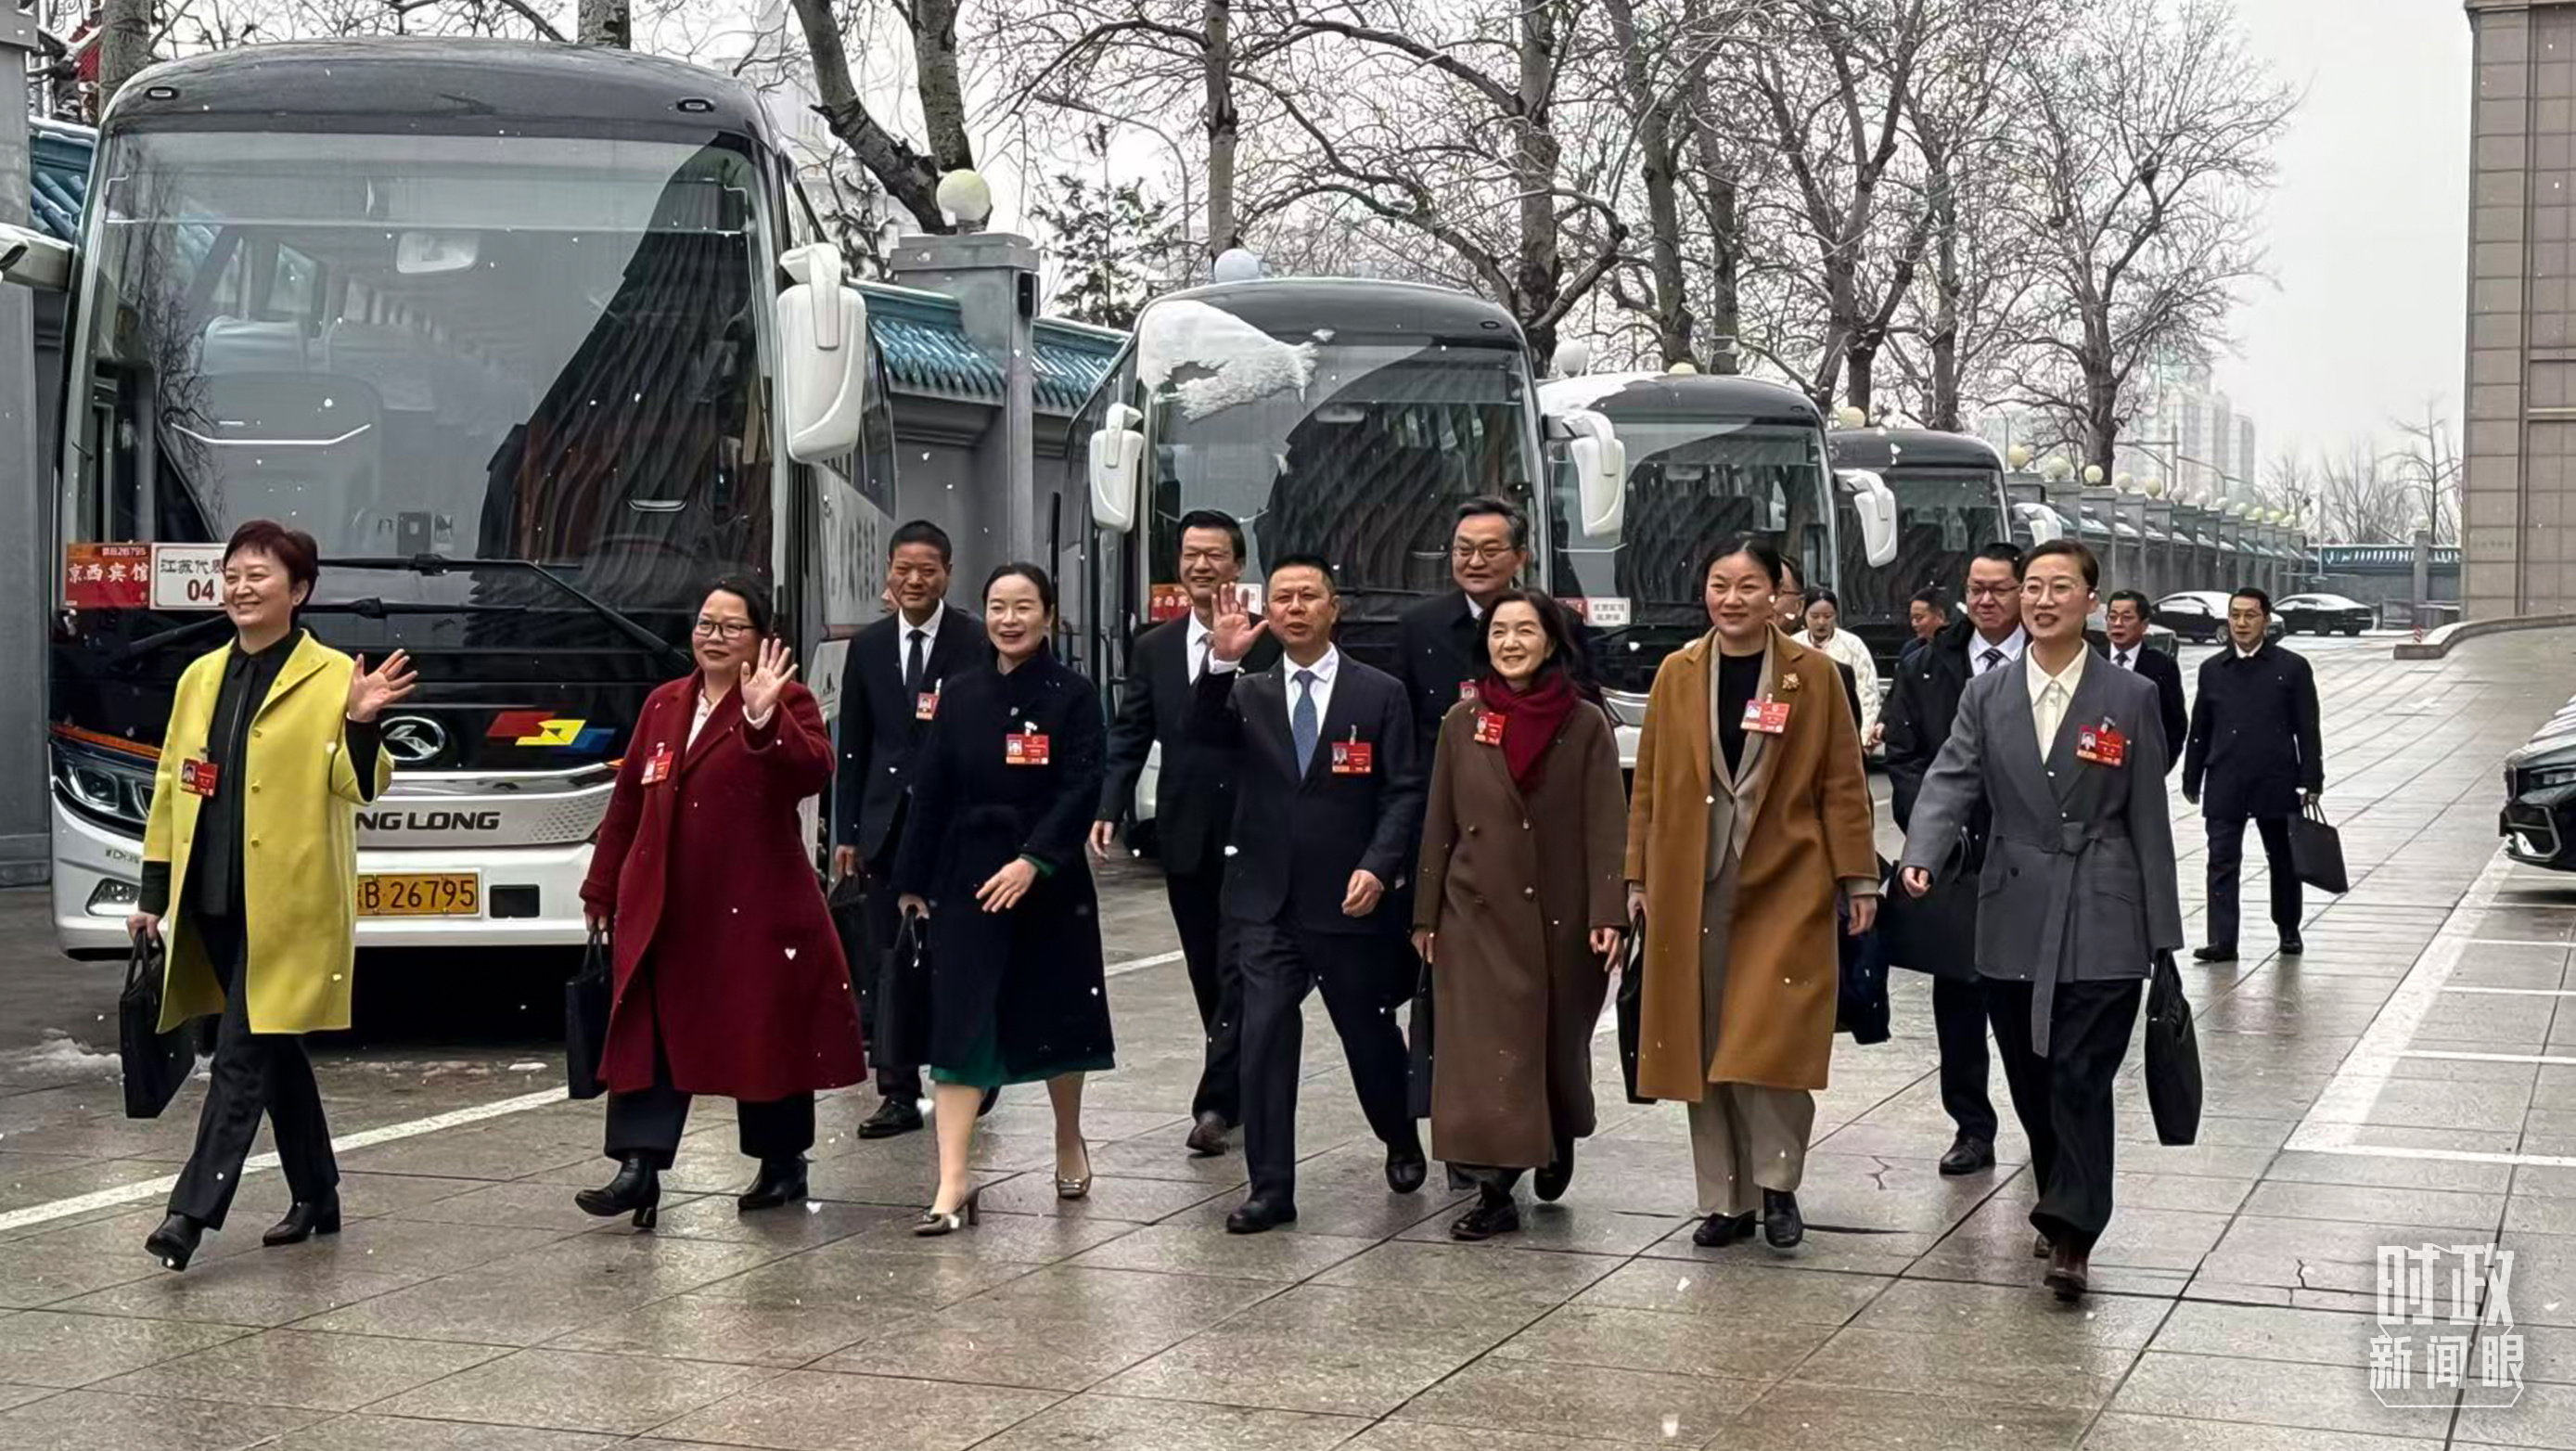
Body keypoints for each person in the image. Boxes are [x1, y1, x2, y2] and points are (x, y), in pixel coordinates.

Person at [1899, 539, 2183, 1301]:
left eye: (2060, 587)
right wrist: (1921, 853)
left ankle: (2071, 1232)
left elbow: (2149, 818)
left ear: (2091, 601)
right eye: (2032, 587)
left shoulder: (2130, 697)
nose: (2042, 600)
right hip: (2013, 908)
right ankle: (2059, 1188)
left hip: (2104, 907)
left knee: (2081, 1073)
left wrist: (2161, 933)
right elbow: (1950, 779)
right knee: (2031, 1075)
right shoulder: (1986, 695)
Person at [130, 521, 411, 1271]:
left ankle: (189, 1215)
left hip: (287, 907)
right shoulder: (200, 677)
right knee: (274, 1047)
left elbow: (362, 787)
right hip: (211, 898)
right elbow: (171, 786)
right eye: (233, 575)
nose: (241, 588)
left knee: (239, 1055)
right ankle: (317, 1192)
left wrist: (362, 723)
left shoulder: (333, 676)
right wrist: (153, 892)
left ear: (300, 590)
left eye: (259, 576)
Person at [575, 579, 865, 1229]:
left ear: (760, 639)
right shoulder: (663, 704)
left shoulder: (786, 699)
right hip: (663, 905)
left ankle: (782, 1161)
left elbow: (812, 771)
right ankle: (638, 1167)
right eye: (706, 624)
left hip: (754, 905)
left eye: (732, 627)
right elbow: (628, 804)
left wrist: (764, 720)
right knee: (648, 1031)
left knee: (763, 1033)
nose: (715, 637)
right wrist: (602, 886)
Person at [1626, 540, 1878, 1253]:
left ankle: (1776, 1184)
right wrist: (1636, 877)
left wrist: (1857, 876)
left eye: (1747, 586)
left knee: (1770, 1040)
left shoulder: (1814, 675)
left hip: (1785, 882)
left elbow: (1842, 781)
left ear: (1777, 596)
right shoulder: (1677, 673)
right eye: (1718, 585)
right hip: (1691, 882)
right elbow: (1648, 783)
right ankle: (1724, 1198)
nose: (1730, 599)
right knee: (1703, 1042)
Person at [1194, 555, 1427, 1234]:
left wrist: (1378, 866)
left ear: (1333, 607)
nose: (1294, 608)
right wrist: (1219, 663)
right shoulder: (1247, 692)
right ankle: (1270, 1188)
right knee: (1264, 1037)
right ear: (1267, 611)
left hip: (1349, 901)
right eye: (1282, 598)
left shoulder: (1378, 693)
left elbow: (1403, 791)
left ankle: (1400, 1135)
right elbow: (1200, 740)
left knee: (1368, 1035)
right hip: (1265, 902)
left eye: (1307, 596)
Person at [894, 563, 1111, 1234]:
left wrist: (1034, 860)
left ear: (1048, 614)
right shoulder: (959, 692)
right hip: (967, 879)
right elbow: (931, 789)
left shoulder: (1074, 695)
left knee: (1057, 1016)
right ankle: (953, 1180)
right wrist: (913, 882)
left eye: (1022, 607)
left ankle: (1068, 1136)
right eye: (996, 606)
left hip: (1050, 884)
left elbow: (1082, 787)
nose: (1008, 620)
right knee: (960, 1024)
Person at [1411, 590, 1625, 1240]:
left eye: (1525, 631)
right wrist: (1424, 915)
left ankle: (1555, 1134)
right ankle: (1494, 1189)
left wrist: (1608, 911)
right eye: (1499, 631)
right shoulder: (1462, 720)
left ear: (1551, 642)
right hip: (1473, 912)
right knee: (1483, 1055)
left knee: (1554, 1043)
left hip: (1560, 913)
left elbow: (1606, 824)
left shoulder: (1584, 722)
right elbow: (1440, 822)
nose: (1510, 643)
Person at [1093, 510, 1278, 1157]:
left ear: (1238, 564)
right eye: (1191, 555)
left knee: (1239, 965)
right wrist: (1110, 803)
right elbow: (1130, 731)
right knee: (1207, 970)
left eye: (1215, 555)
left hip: (1257, 829)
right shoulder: (1155, 646)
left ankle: (1216, 1101)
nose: (1201, 566)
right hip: (1186, 829)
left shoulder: (1270, 639)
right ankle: (1239, 1081)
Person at [834, 520, 987, 1138]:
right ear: (888, 575)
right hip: (886, 827)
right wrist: (847, 831)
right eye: (904, 569)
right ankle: (897, 1091)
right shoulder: (868, 646)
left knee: (959, 954)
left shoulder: (974, 640)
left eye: (927, 569)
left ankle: (968, 1072)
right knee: (888, 960)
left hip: (957, 826)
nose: (914, 580)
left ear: (948, 573)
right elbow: (854, 743)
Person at [1880, 542, 2022, 1178]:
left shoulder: (2055, 658)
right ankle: (1971, 1126)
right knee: (1959, 1000)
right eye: (1976, 589)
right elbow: (1904, 756)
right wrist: (1933, 832)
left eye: (1999, 589)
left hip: (2030, 858)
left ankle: (2047, 1121)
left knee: (2030, 1004)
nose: (1985, 601)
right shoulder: (1927, 662)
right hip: (1957, 863)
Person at [2182, 586, 2324, 962]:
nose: (2241, 623)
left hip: (2275, 779)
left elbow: (2307, 729)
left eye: (2250, 615)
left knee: (2283, 859)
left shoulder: (2291, 668)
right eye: (2235, 615)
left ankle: (2288, 928)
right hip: (2225, 778)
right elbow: (2200, 726)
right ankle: (2222, 940)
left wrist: (2312, 779)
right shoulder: (2213, 669)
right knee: (2221, 861)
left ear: (2266, 620)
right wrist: (2192, 776)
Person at [1395, 497, 1529, 750]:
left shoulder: (1554, 623)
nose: (1475, 562)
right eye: (1464, 551)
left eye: (1490, 551)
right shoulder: (1419, 626)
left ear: (1520, 557)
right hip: (1444, 770)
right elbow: (1403, 726)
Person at [2102, 590, 2187, 766]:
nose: (2117, 624)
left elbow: (2175, 724)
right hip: (2094, 765)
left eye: (2127, 618)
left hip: (2141, 765)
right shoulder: (2092, 659)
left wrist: (2159, 766)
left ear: (2144, 625)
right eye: (2112, 617)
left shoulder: (2162, 666)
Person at [1798, 587, 1881, 750]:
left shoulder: (1853, 645)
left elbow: (1867, 691)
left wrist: (1864, 738)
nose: (1821, 622)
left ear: (1835, 615)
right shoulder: (1793, 644)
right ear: (1804, 614)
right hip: (1803, 729)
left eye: (1828, 616)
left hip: (1844, 726)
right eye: (1815, 616)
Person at [1902, 589, 1949, 668]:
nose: (1914, 624)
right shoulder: (1910, 650)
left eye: (1919, 618)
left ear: (1940, 616)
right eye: (1911, 618)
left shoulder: (1961, 647)